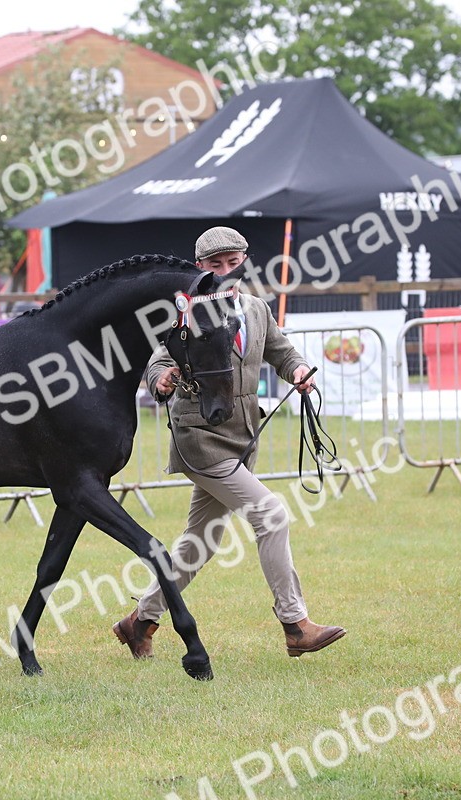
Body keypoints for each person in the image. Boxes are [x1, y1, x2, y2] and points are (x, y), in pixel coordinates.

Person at [112, 226, 346, 660]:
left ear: (243, 262)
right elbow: (159, 361)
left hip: (243, 438)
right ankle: (295, 625)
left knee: (198, 542)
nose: (225, 272)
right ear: (199, 268)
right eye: (215, 266)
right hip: (199, 440)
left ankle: (139, 621)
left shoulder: (256, 308)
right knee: (271, 515)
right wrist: (160, 378)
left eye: (233, 264)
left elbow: (281, 351)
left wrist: (297, 372)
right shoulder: (185, 313)